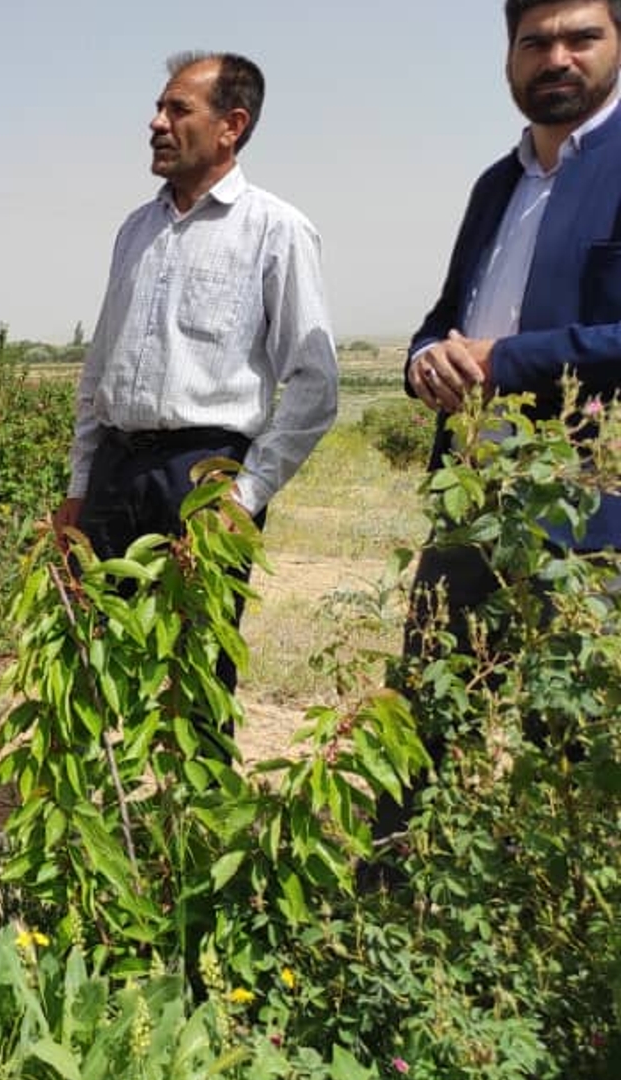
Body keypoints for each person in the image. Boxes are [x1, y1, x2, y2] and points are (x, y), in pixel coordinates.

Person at [381, 0, 621, 837]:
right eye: (535, 42)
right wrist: (426, 362)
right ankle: (386, 907)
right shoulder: (497, 185)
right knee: (420, 722)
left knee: (569, 745)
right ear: (510, 57)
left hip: (589, 512)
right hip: (471, 501)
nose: (557, 57)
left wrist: (499, 361)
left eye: (580, 37)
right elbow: (445, 316)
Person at [56, 51, 338, 694]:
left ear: (230, 125)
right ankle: (101, 794)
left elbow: (316, 384)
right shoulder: (135, 230)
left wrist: (245, 495)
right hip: (115, 471)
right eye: (159, 107)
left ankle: (191, 797)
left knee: (197, 663)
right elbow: (98, 369)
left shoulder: (276, 230)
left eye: (177, 108)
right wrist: (80, 483)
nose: (156, 122)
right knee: (91, 654)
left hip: (205, 475)